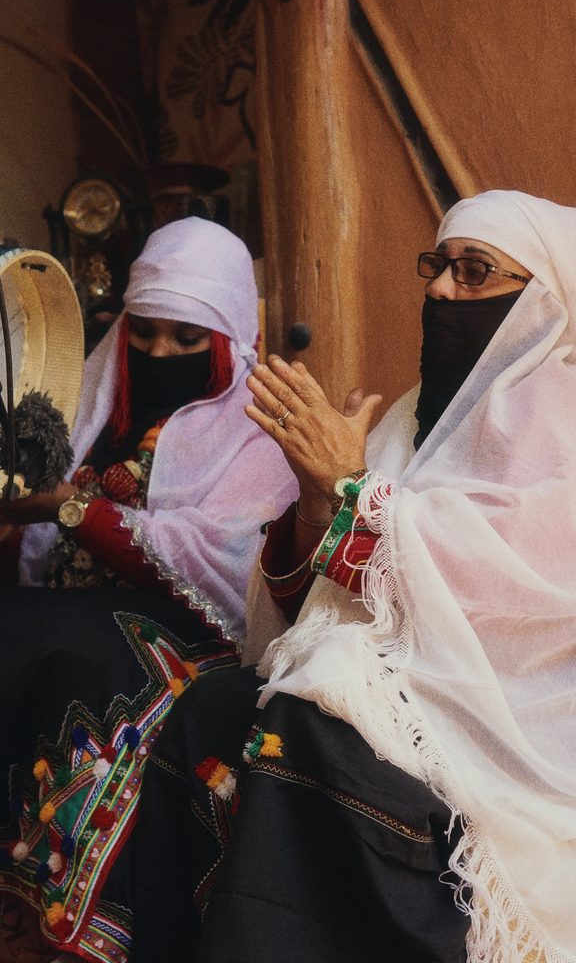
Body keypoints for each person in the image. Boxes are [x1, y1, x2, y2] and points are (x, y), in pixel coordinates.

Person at [132, 190, 576, 963]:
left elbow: (502, 594)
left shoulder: (562, 421)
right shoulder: (411, 415)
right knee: (213, 706)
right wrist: (318, 498)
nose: (442, 290)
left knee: (308, 728)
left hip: (499, 730)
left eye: (475, 272)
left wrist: (351, 482)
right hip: (397, 688)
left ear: (543, 300)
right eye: (437, 267)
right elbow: (320, 595)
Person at [0, 216, 296, 963]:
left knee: (70, 658)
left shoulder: (259, 427)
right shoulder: (89, 401)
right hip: (68, 610)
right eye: (145, 331)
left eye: (187, 338)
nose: (159, 353)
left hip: (191, 633)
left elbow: (227, 561)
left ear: (227, 338)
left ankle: (86, 924)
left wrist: (74, 510)